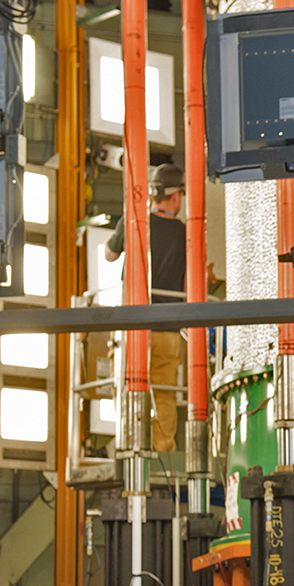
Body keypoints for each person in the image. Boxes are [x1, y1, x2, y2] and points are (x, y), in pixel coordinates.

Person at [104, 163, 187, 452]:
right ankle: (162, 447)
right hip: (168, 327)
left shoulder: (133, 220)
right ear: (176, 196)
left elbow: (110, 255)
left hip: (134, 325)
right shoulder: (183, 233)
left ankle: (130, 442)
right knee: (164, 392)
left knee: (126, 384)